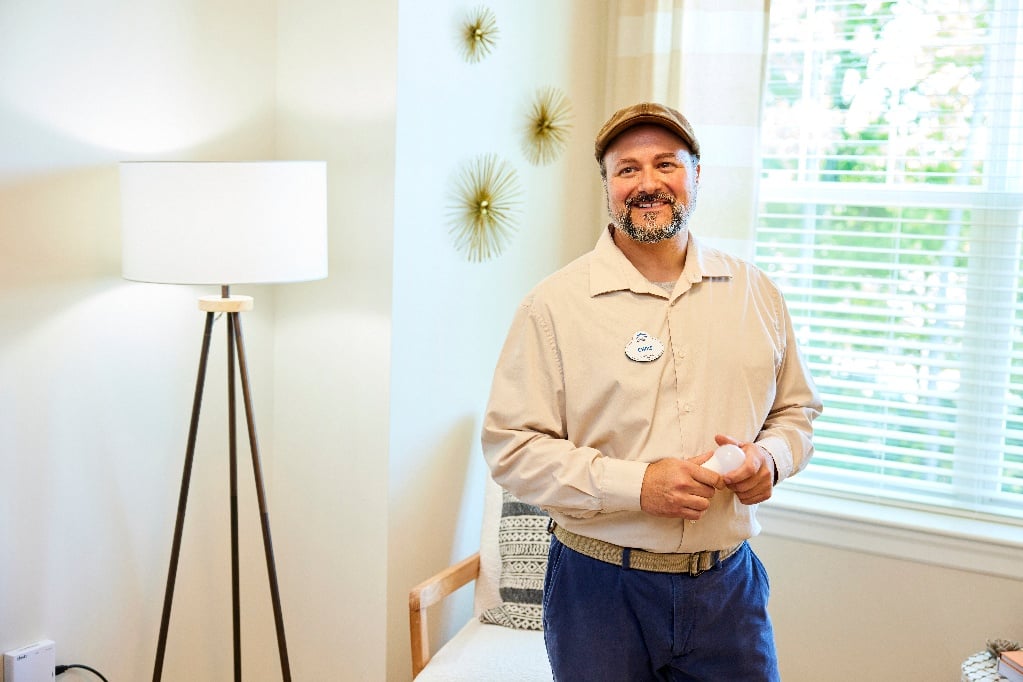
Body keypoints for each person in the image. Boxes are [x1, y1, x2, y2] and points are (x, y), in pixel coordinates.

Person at [481, 102, 822, 681]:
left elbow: (797, 412)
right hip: (598, 591)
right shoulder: (553, 306)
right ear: (608, 186)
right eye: (627, 169)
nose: (647, 183)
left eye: (666, 164)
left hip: (727, 589)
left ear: (696, 176)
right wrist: (639, 485)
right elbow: (511, 449)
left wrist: (772, 458)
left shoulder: (756, 293)